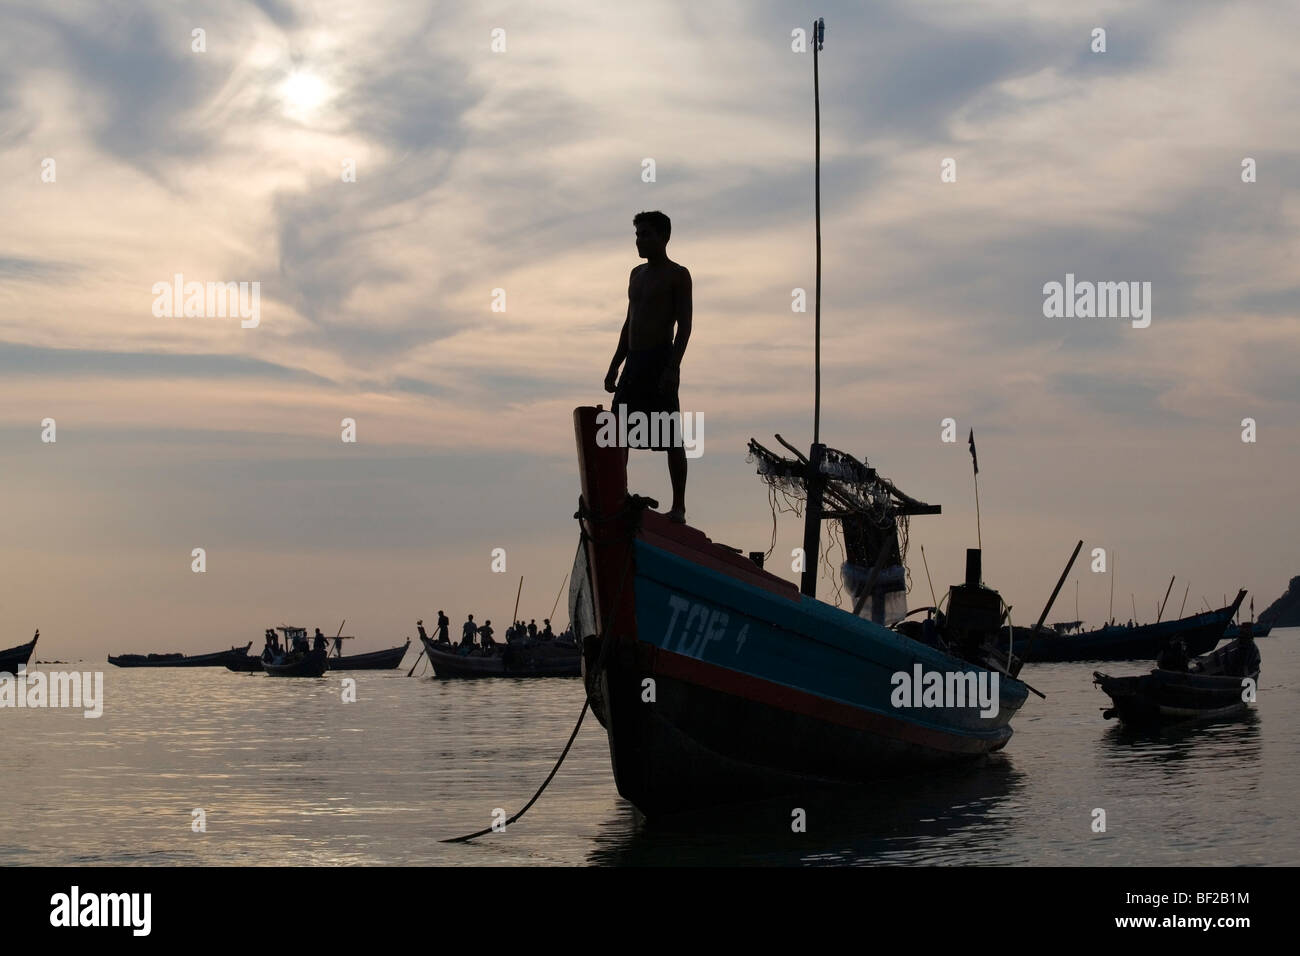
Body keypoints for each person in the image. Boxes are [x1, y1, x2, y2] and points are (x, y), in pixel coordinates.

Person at [605, 210, 693, 523]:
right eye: (638, 235)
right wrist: (615, 363)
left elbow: (684, 326)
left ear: (663, 237)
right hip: (634, 361)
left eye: (646, 234)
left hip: (660, 360)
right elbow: (629, 322)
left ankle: (678, 507)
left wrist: (673, 367)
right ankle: (618, 494)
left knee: (670, 435)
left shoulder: (677, 275)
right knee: (618, 431)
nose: (640, 241)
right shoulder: (635, 275)